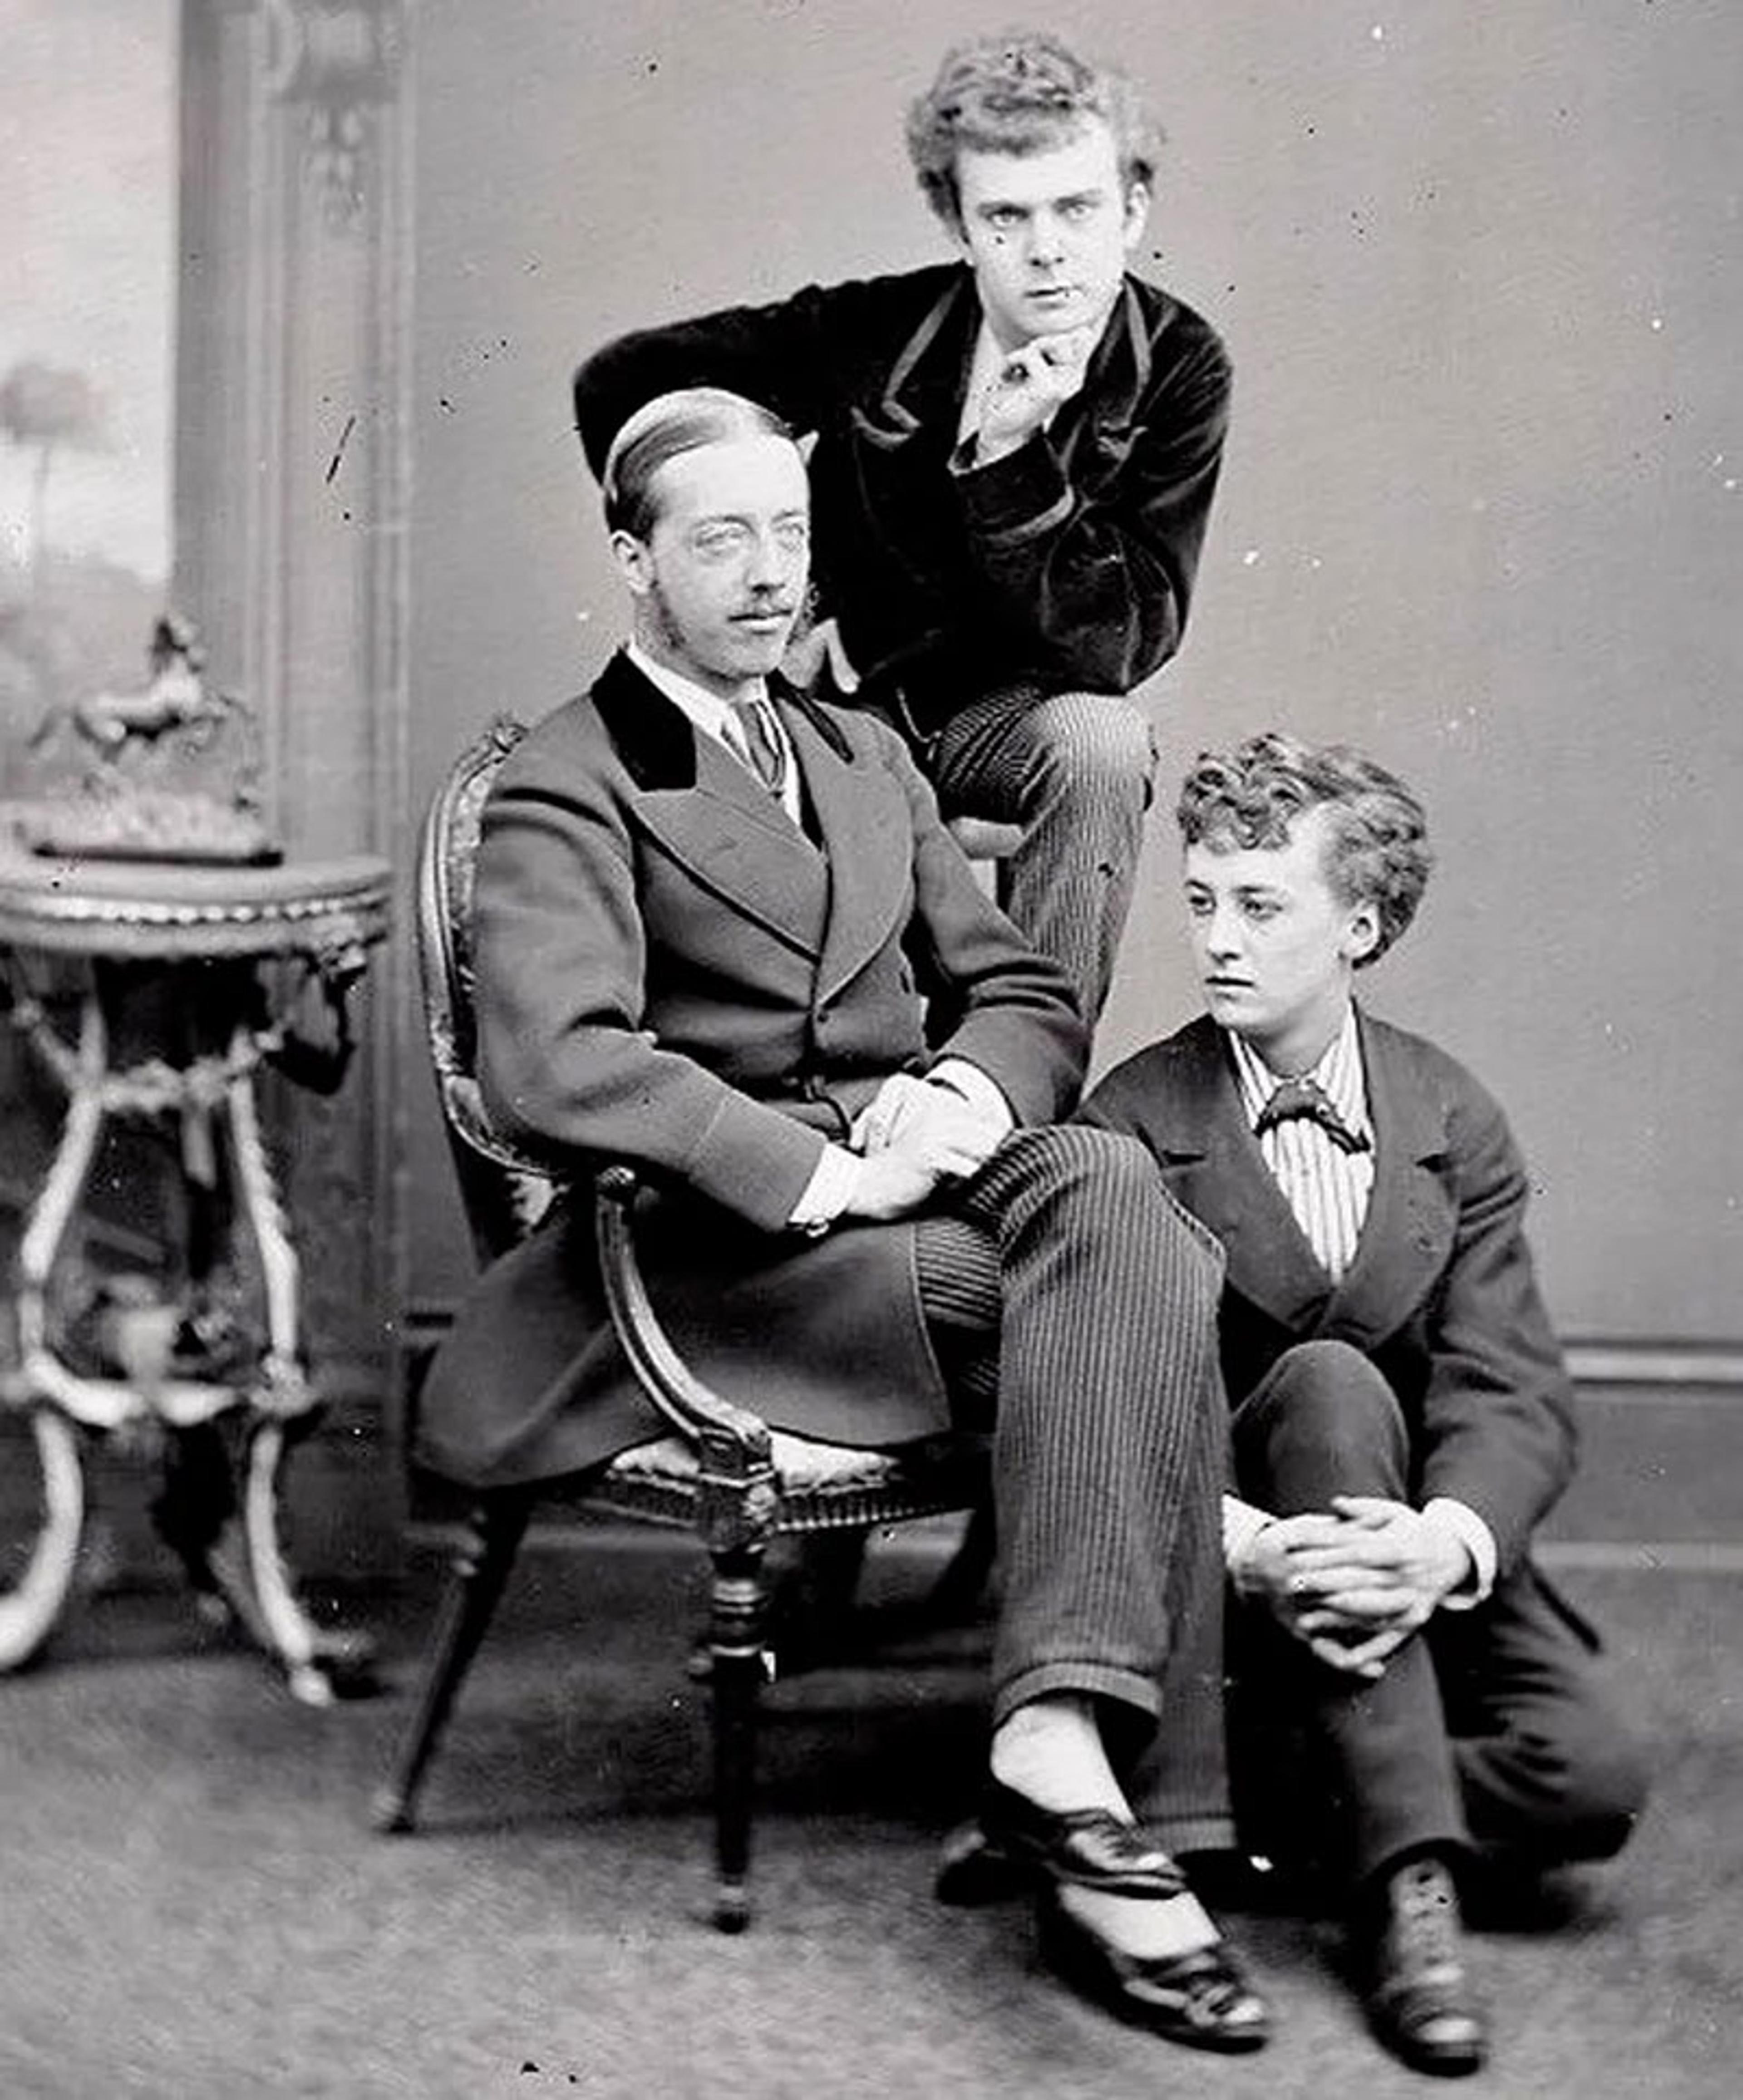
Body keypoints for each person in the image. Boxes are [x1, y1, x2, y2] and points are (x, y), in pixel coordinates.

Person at [417, 388, 1269, 2053]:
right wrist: (826, 1173)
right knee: (1144, 1283)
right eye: (717, 537)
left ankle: (1059, 1752)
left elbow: (1017, 985)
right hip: (725, 1247)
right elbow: (557, 1060)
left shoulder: (859, 749)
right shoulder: (571, 781)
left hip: (910, 1177)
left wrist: (957, 1099)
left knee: (1114, 1188)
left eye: (787, 535)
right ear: (632, 559)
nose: (762, 574)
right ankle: (1125, 1826)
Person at [1081, 733, 1649, 2075]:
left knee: (1594, 1778)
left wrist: (1439, 1543)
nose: (1218, 938)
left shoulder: (1453, 1111)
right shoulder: (1128, 1117)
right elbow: (1107, 1406)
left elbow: (1506, 1376)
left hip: (1398, 1554)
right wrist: (1252, 1546)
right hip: (1223, 1578)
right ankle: (1408, 1899)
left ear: (1363, 925)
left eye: (1261, 905)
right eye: (1204, 900)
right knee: (1329, 1380)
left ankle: (1198, 1812)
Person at [570, 30, 1232, 1027]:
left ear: (1133, 210)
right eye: (1005, 216)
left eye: (1077, 208)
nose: (1047, 249)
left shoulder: (1178, 364)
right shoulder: (879, 329)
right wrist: (759, 543)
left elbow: (1121, 643)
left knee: (1103, 742)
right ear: (956, 221)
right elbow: (622, 380)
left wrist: (1011, 463)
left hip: (1009, 727)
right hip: (839, 716)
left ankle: (1028, 1080)